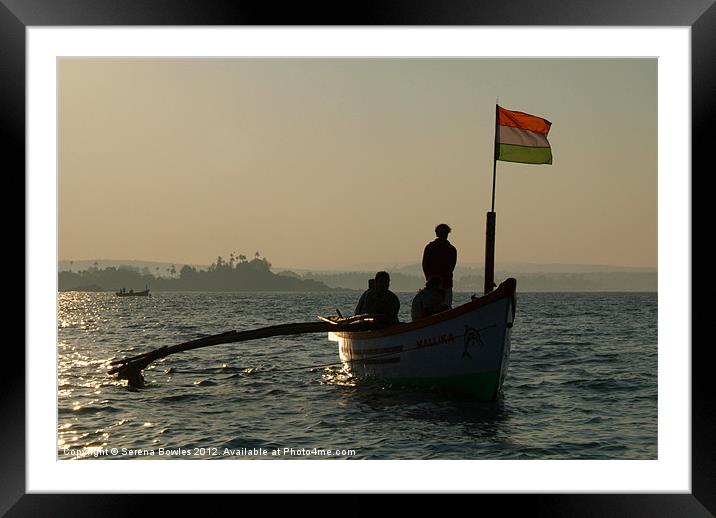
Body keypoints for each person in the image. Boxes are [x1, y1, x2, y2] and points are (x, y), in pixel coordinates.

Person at [422, 223, 457, 308]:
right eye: (441, 232)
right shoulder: (450, 249)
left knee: (443, 306)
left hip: (444, 283)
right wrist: (430, 279)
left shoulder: (450, 249)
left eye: (444, 232)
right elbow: (425, 265)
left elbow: (451, 267)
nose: (442, 234)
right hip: (435, 284)